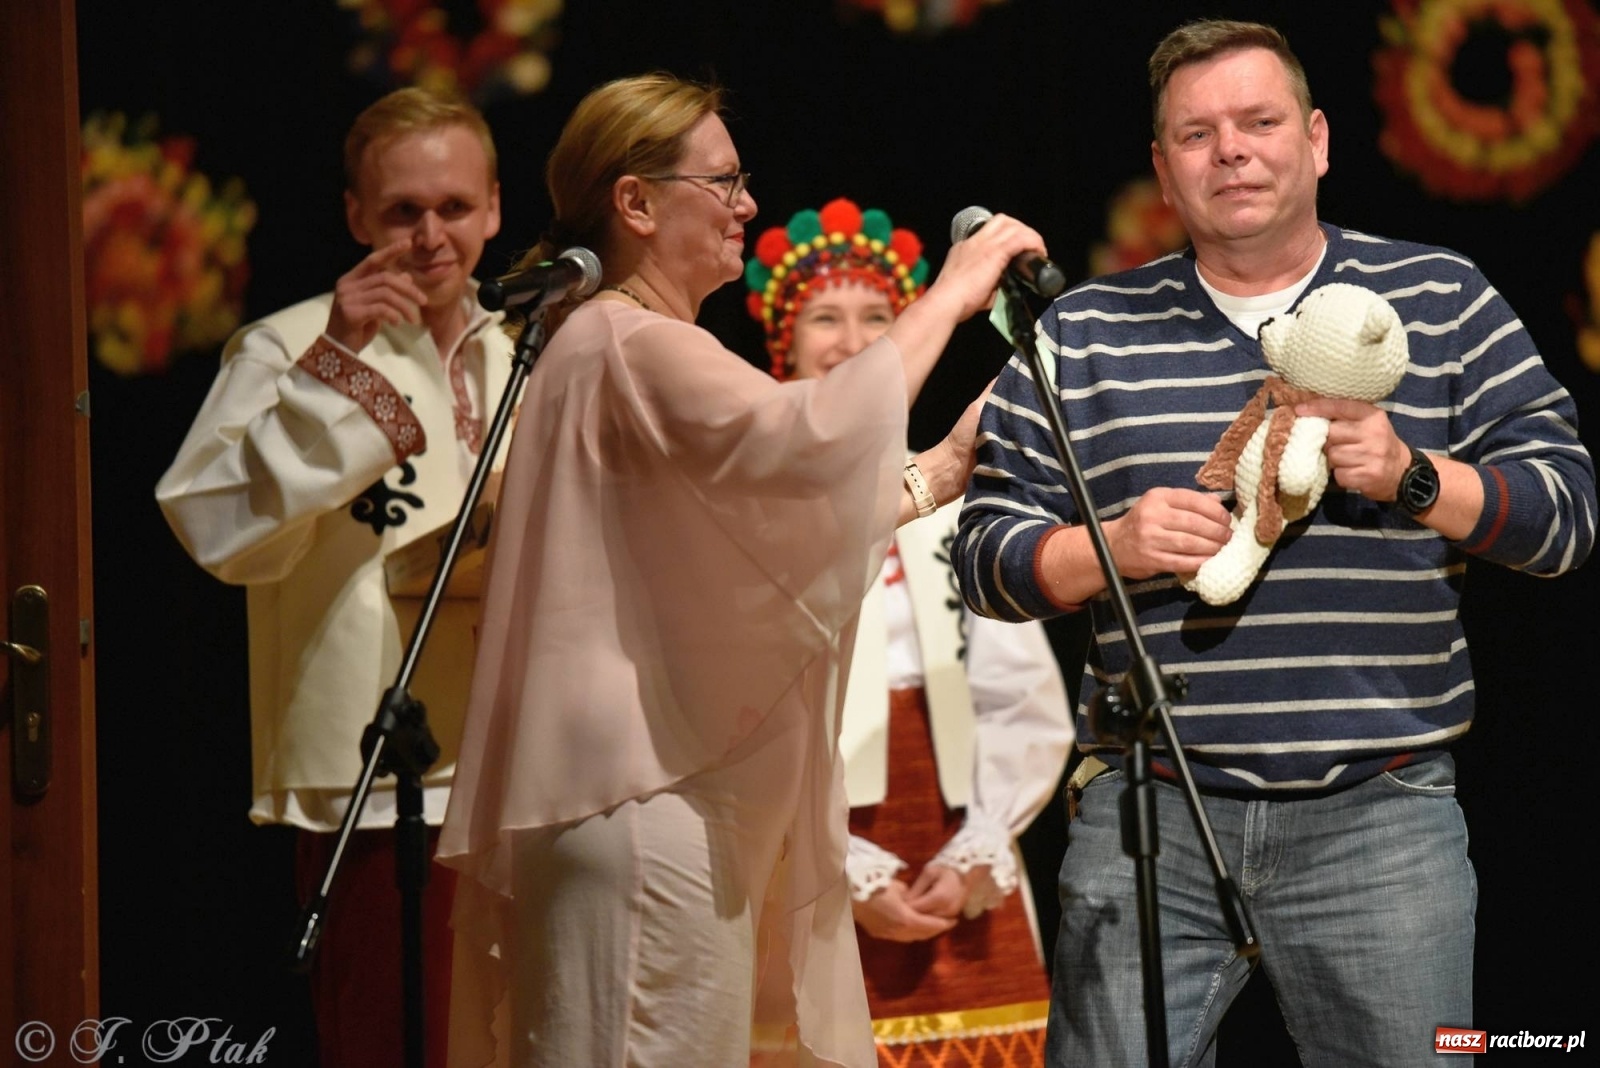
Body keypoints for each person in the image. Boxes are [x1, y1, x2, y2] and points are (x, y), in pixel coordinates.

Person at [952, 18, 1596, 1068]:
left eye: (1258, 122)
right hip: (1147, 821)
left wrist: (1412, 477)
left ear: (1318, 139)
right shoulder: (1081, 332)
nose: (1232, 151)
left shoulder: (1437, 299)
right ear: (1163, 169)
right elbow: (982, 554)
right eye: (1197, 134)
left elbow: (1566, 516)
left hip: (1381, 821)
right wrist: (1109, 543)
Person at [434, 74, 1048, 1068]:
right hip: (637, 804)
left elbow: (770, 529)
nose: (747, 206)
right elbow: (807, 442)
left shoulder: (611, 344)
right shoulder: (624, 341)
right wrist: (953, 292)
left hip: (651, 800)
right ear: (635, 202)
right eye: (722, 183)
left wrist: (937, 473)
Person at [155, 87, 509, 1068]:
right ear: (357, 216)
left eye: (454, 207)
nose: (431, 235)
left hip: (516, 761)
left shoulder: (525, 351)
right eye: (403, 211)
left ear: (494, 209)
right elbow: (217, 532)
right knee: (396, 1039)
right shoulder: (289, 344)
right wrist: (333, 363)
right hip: (374, 767)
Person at [746, 196, 1074, 1067]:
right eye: (826, 318)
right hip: (804, 840)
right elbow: (737, 721)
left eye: (877, 321)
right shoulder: (749, 515)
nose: (854, 341)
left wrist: (980, 848)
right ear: (782, 344)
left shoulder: (940, 509)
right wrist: (839, 866)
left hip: (952, 837)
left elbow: (1021, 696)